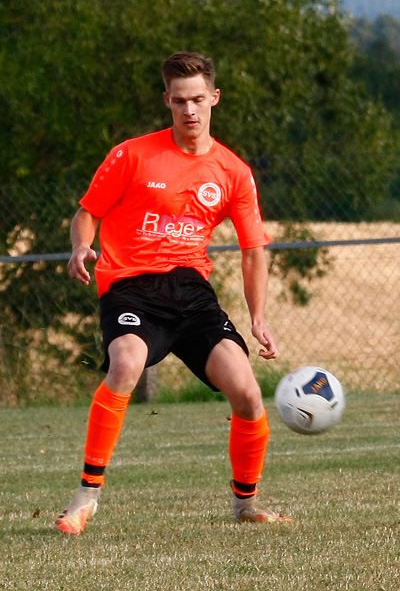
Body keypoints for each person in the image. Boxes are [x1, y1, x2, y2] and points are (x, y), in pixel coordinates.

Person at [54, 51, 291, 534]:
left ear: (214, 99)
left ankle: (245, 505)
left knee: (246, 391)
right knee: (125, 364)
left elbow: (253, 251)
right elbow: (88, 212)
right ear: (167, 100)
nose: (189, 110)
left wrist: (259, 317)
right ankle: (85, 498)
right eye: (180, 101)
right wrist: (81, 247)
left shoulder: (233, 171)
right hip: (130, 287)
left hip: (190, 291)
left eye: (198, 100)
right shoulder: (132, 154)